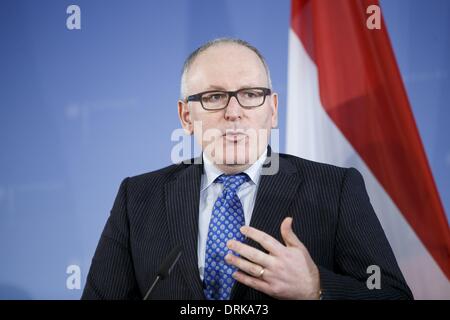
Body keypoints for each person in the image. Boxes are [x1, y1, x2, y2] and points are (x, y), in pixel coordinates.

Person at [82, 38, 412, 300]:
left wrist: (316, 288)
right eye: (214, 97)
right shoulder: (137, 198)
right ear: (186, 117)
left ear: (272, 110)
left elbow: (393, 296)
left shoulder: (335, 188)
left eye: (251, 94)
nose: (234, 112)